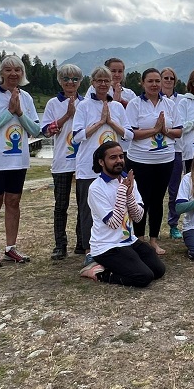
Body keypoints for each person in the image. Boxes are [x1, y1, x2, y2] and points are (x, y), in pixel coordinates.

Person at [0, 55, 41, 267]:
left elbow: (35, 130)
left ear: (22, 74)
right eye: (8, 70)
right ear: (1, 72)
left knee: (13, 202)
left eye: (17, 70)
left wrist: (19, 112)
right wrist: (9, 112)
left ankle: (11, 247)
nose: (13, 74)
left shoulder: (26, 97)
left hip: (18, 160)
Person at [80, 141, 166, 287]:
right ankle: (98, 273)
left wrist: (129, 194)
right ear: (101, 162)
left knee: (158, 270)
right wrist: (123, 192)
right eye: (113, 157)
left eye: (121, 156)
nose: (119, 160)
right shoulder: (96, 188)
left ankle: (115, 265)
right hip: (107, 246)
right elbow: (114, 223)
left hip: (128, 240)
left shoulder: (129, 181)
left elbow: (138, 217)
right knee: (144, 277)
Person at [71, 66, 133, 267]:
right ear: (92, 83)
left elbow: (129, 135)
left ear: (112, 83)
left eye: (107, 80)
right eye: (99, 80)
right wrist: (99, 123)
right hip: (88, 167)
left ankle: (113, 245)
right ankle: (89, 250)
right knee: (87, 210)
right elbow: (77, 136)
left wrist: (111, 122)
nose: (103, 84)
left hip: (112, 167)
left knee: (114, 205)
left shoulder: (117, 107)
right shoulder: (84, 106)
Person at [125, 68, 182, 255]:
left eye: (157, 81)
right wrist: (155, 130)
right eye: (150, 81)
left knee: (157, 200)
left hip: (165, 160)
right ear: (142, 83)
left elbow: (179, 131)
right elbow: (131, 134)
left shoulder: (170, 104)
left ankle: (154, 240)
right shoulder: (134, 104)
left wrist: (165, 131)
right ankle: (139, 239)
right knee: (141, 199)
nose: (155, 84)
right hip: (139, 160)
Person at [40, 63, 84, 260]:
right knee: (61, 206)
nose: (70, 82)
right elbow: (46, 131)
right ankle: (60, 245)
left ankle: (82, 242)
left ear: (80, 82)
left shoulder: (86, 103)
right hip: (61, 162)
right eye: (66, 79)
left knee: (84, 205)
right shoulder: (52, 103)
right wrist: (67, 115)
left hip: (83, 162)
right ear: (60, 81)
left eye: (75, 79)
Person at [161, 67, 184, 239]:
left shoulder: (182, 100)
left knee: (174, 191)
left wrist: (166, 130)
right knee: (155, 191)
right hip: (157, 151)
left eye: (171, 78)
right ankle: (151, 226)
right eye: (165, 78)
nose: (168, 81)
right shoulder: (154, 99)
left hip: (176, 150)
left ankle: (173, 224)